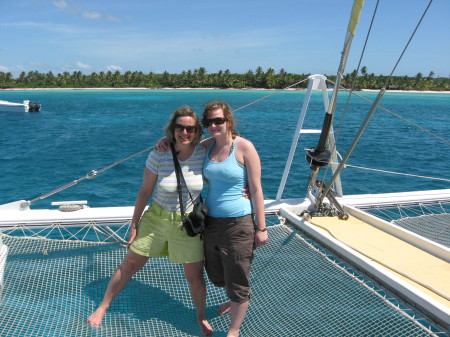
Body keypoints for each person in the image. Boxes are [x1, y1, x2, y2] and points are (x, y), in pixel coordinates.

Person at [87, 106, 214, 337]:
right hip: (156, 218)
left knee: (194, 276)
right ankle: (103, 305)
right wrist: (134, 224)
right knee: (129, 265)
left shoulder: (203, 153)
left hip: (187, 225)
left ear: (196, 131)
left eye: (190, 128)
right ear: (172, 129)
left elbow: (230, 149)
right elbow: (144, 192)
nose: (184, 132)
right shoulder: (159, 153)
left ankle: (200, 314)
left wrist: (242, 189)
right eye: (179, 127)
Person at [200, 101, 268, 337]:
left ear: (229, 120)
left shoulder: (244, 147)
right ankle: (234, 299)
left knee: (237, 278)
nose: (213, 125)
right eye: (209, 122)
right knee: (217, 274)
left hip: (238, 223)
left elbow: (257, 189)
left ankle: (234, 329)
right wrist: (164, 143)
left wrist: (262, 227)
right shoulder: (207, 146)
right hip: (211, 224)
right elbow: (182, 147)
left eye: (218, 120)